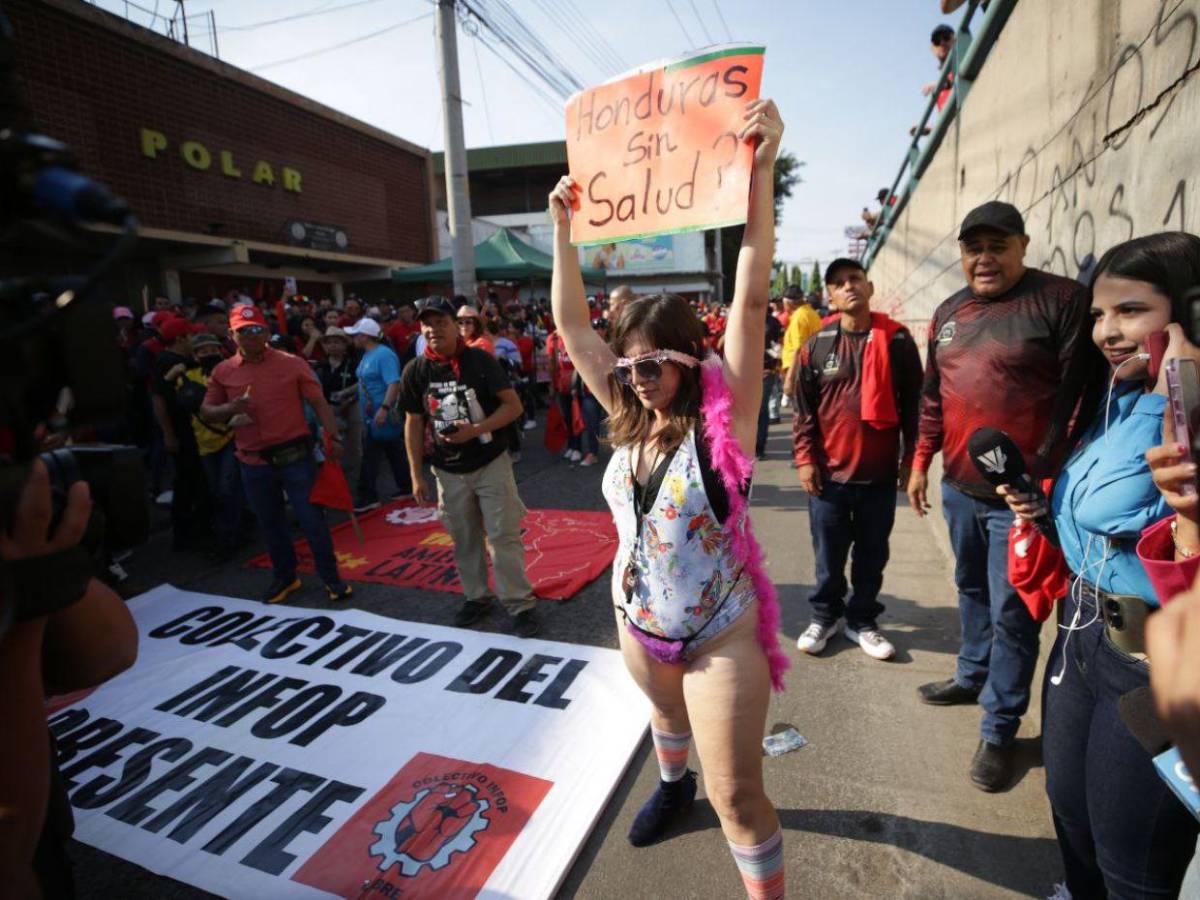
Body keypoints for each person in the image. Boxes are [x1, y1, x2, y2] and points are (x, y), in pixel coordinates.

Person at [549, 98, 789, 900]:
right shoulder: (626, 416)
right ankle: (671, 785)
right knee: (667, 724)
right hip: (638, 622)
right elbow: (574, 329)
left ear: (691, 360)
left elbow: (750, 298)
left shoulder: (729, 423)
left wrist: (761, 169)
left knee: (739, 797)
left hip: (720, 633)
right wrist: (563, 229)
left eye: (653, 365)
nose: (638, 378)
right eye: (629, 367)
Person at [996, 232, 1200, 895]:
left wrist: (1178, 399)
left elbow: (1145, 521)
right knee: (1070, 812)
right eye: (1098, 315)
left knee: (1131, 865)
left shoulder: (1178, 412)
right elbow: (1096, 520)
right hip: (1080, 633)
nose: (1106, 333)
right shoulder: (1116, 398)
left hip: (1152, 664)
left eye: (1130, 311)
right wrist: (1043, 511)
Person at [908, 200, 1092, 791]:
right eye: (974, 248)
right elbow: (932, 398)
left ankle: (999, 728)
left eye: (997, 246)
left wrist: (1044, 481)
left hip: (1021, 501)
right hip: (959, 489)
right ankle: (971, 674)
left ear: (1023, 246)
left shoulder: (1061, 301)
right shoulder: (948, 312)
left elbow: (1077, 402)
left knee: (1013, 615)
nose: (984, 258)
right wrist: (921, 462)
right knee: (969, 589)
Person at [793, 258, 923, 661]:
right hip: (828, 477)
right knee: (828, 558)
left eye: (854, 279)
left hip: (878, 476)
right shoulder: (816, 345)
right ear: (830, 296)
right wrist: (805, 459)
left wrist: (911, 461)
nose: (848, 286)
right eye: (838, 283)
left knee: (871, 555)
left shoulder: (897, 341)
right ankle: (825, 617)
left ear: (869, 287)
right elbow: (803, 411)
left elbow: (914, 408)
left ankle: (862, 621)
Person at [399, 295, 538, 638]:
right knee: (463, 538)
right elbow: (413, 422)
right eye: (427, 324)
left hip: (490, 463)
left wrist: (476, 430)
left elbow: (513, 406)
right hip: (447, 470)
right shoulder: (416, 370)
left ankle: (520, 604)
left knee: (502, 535)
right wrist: (416, 475)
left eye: (441, 323)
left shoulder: (480, 360)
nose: (433, 330)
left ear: (456, 326)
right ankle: (477, 597)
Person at [201, 304, 352, 605]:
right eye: (244, 331)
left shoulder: (292, 363)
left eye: (257, 329)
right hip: (253, 462)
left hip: (295, 457)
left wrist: (333, 437)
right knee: (270, 524)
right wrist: (230, 409)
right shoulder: (223, 371)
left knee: (312, 521)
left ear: (267, 332)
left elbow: (318, 402)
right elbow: (207, 410)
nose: (251, 336)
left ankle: (331, 577)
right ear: (231, 335)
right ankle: (285, 577)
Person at [166, 332, 243, 561]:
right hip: (204, 443)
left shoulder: (229, 372)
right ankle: (229, 531)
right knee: (216, 491)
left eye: (212, 349)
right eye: (203, 351)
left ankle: (230, 537)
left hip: (230, 437)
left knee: (226, 489)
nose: (209, 354)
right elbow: (169, 390)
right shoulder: (187, 376)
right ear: (195, 355)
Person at [153, 317, 211, 551]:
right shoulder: (168, 362)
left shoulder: (178, 360)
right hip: (182, 433)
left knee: (193, 480)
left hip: (190, 430)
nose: (193, 340)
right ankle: (187, 534)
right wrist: (168, 434)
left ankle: (194, 530)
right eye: (190, 336)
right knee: (187, 481)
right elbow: (158, 400)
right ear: (180, 339)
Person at [345, 316, 412, 512]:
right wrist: (346, 393)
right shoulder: (368, 354)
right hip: (373, 414)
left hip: (381, 415)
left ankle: (368, 496)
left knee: (371, 456)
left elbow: (394, 382)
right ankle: (406, 487)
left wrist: (384, 408)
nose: (353, 338)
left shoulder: (384, 355)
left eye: (356, 335)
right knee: (393, 451)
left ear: (365, 336)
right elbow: (364, 381)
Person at [315, 326, 363, 488]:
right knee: (329, 447)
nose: (333, 346)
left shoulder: (354, 364)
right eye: (329, 342)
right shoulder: (320, 366)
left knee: (354, 448)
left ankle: (353, 484)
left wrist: (347, 396)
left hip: (351, 407)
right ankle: (334, 483)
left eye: (337, 342)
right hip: (327, 410)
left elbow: (362, 384)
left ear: (344, 345)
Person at [780, 284, 822, 405]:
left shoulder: (799, 317)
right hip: (810, 369)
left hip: (800, 372)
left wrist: (789, 379)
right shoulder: (810, 313)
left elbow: (799, 350)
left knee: (802, 411)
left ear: (788, 303)